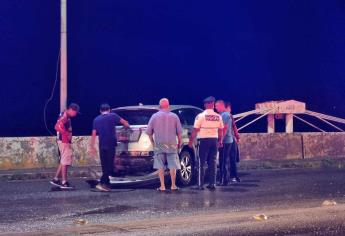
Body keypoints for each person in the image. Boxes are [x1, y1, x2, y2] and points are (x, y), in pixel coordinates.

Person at [89, 103, 129, 192]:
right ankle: (101, 183)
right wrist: (127, 126)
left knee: (104, 166)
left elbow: (94, 134)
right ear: (109, 110)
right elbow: (125, 123)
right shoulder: (113, 116)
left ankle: (106, 185)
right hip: (110, 144)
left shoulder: (96, 119)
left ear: (100, 111)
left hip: (102, 145)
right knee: (110, 166)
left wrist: (92, 146)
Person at [146, 98, 183, 192]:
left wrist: (153, 143)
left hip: (159, 144)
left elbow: (149, 133)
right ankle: (173, 185)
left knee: (160, 166)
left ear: (160, 106)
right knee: (173, 166)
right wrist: (180, 142)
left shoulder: (154, 116)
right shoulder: (174, 116)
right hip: (172, 144)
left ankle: (162, 186)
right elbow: (179, 133)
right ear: (168, 105)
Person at [188, 96, 223, 190]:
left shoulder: (200, 116)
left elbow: (195, 129)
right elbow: (220, 130)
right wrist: (220, 140)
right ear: (212, 104)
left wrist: (191, 141)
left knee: (201, 163)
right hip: (214, 140)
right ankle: (212, 184)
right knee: (213, 162)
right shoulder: (218, 116)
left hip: (203, 140)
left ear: (205, 105)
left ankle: (200, 185)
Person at [50, 103, 80, 189]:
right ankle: (64, 182)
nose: (76, 114)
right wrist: (65, 134)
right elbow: (57, 126)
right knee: (65, 161)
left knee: (63, 160)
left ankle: (56, 179)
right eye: (76, 112)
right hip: (64, 141)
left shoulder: (64, 115)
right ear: (71, 110)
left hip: (63, 141)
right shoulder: (65, 116)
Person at [215, 100, 235, 186]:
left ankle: (224, 180)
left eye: (216, 106)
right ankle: (223, 180)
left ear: (221, 106)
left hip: (226, 141)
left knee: (224, 161)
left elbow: (225, 129)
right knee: (223, 160)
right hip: (227, 140)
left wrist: (221, 140)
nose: (215, 107)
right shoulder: (223, 115)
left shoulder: (225, 115)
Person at [225, 101, 240, 182]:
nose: (230, 110)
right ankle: (233, 176)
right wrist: (237, 137)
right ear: (227, 107)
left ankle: (228, 177)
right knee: (232, 159)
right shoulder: (229, 116)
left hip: (225, 140)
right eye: (230, 108)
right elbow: (234, 127)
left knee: (226, 159)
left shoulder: (221, 116)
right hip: (231, 140)